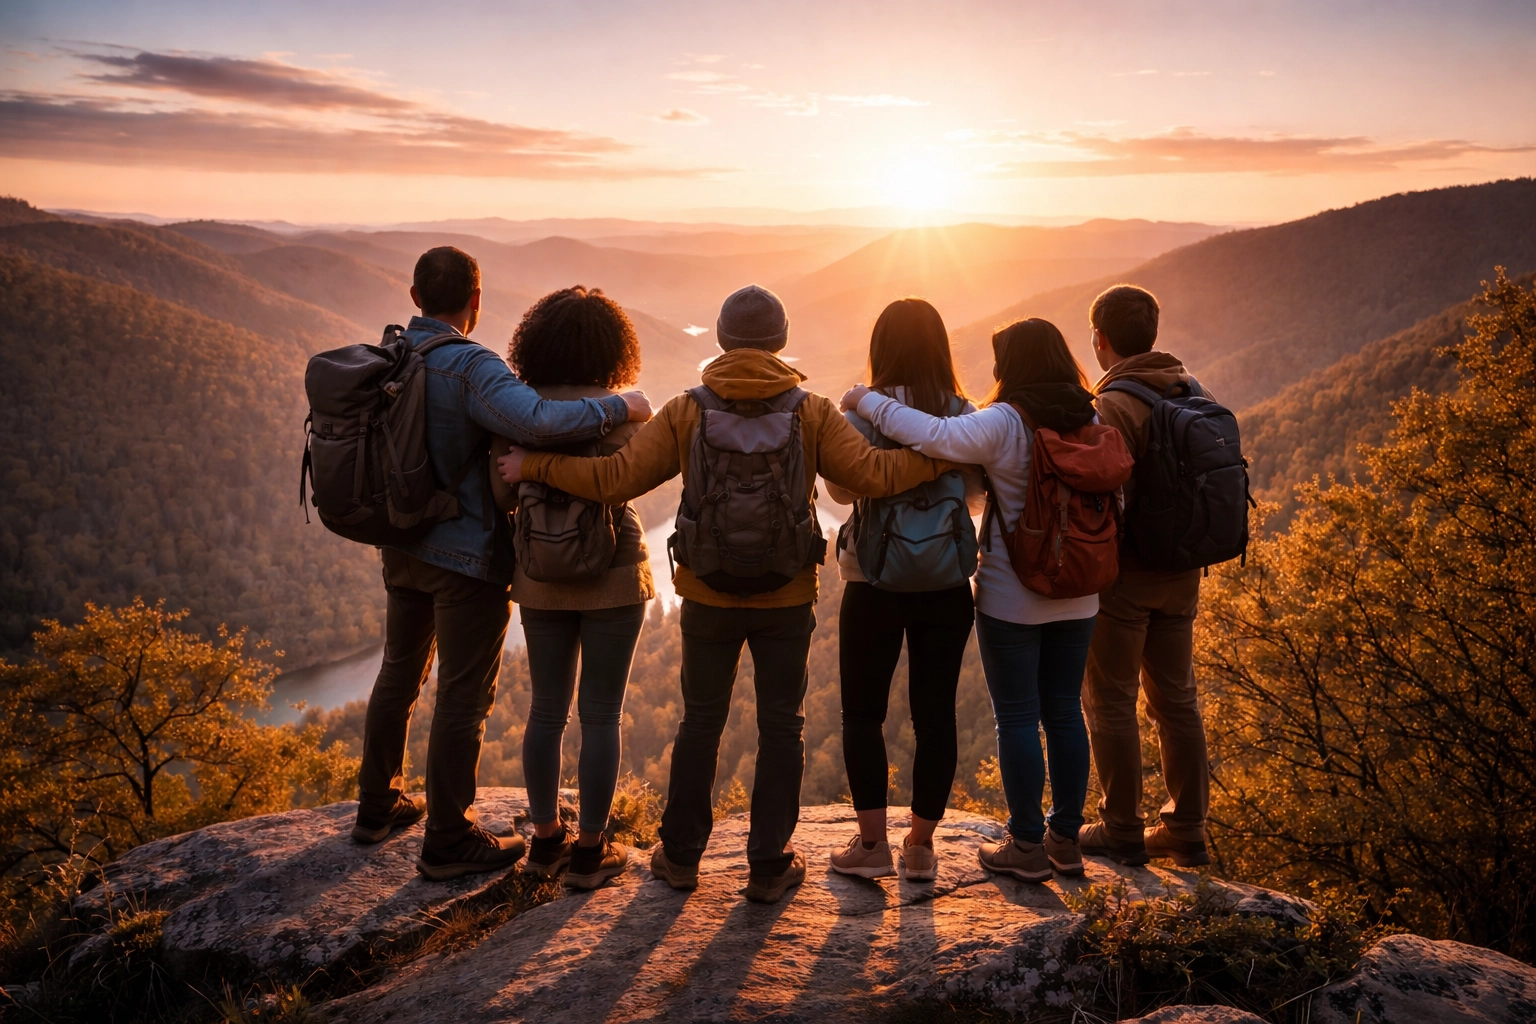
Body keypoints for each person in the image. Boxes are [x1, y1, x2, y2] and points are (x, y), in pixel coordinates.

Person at [498, 283, 949, 903]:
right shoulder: (811, 410)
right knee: (781, 728)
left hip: (706, 593)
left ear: (722, 339)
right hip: (787, 593)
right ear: (780, 342)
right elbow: (873, 475)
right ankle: (768, 865)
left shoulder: (689, 409)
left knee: (700, 723)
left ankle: (681, 857)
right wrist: (940, 459)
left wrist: (537, 466)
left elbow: (612, 480)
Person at [351, 247, 652, 882]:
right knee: (463, 698)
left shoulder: (392, 356)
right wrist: (621, 407)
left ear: (413, 297)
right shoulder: (471, 366)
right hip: (462, 557)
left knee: (397, 677)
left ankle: (376, 806)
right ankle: (447, 838)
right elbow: (538, 422)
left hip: (401, 544)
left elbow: (507, 469)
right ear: (476, 300)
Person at [842, 317, 1104, 883]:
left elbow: (845, 486)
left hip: (998, 591)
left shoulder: (1000, 421)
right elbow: (975, 493)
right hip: (1076, 589)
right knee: (1056, 711)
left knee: (1009, 718)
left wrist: (865, 403)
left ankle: (1012, 844)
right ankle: (1047, 842)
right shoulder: (1092, 418)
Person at [488, 286, 653, 891]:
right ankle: (589, 853)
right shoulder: (621, 411)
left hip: (538, 577)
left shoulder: (517, 411)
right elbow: (635, 482)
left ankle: (544, 841)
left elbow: (503, 495)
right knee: (602, 714)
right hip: (614, 575)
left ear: (536, 342)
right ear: (613, 346)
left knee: (545, 712)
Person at [822, 299, 983, 882]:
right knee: (935, 714)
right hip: (945, 582)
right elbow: (976, 491)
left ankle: (871, 847)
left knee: (863, 712)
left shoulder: (863, 414)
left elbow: (839, 491)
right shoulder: (965, 415)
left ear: (881, 347)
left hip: (871, 580)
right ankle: (920, 847)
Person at [1079, 284, 1212, 868]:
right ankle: (1186, 828)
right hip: (1184, 569)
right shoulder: (1192, 389)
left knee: (1110, 700)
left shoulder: (1113, 405)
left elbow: (1098, 489)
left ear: (1100, 340)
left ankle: (1121, 829)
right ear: (1152, 334)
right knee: (1176, 699)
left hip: (1127, 572)